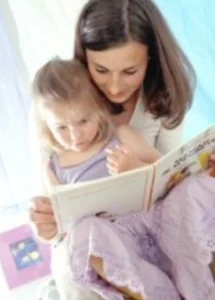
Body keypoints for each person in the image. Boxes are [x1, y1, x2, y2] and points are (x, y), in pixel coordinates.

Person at [29, 0, 215, 299]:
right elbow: (54, 215)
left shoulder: (158, 102)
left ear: (151, 59)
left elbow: (168, 172)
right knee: (76, 251)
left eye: (130, 71)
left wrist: (198, 168)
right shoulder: (59, 107)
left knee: (198, 191)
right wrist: (45, 226)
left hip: (151, 214)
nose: (115, 87)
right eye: (101, 70)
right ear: (84, 57)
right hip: (98, 234)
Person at [32, 57, 160, 186]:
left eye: (83, 121)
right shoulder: (53, 169)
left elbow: (169, 173)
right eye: (61, 127)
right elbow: (57, 206)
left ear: (100, 109)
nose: (75, 135)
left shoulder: (122, 137)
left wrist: (136, 166)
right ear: (47, 126)